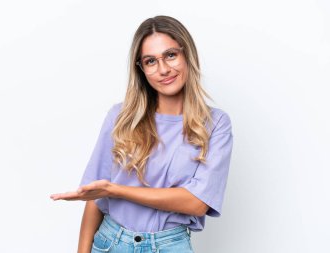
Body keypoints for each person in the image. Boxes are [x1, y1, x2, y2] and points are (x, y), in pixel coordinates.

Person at [50, 15, 233, 253]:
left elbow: (197, 203)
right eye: (150, 61)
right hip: (111, 242)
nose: (164, 69)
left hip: (170, 245)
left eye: (170, 55)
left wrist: (116, 190)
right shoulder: (120, 117)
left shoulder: (215, 124)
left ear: (187, 54)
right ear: (142, 69)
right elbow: (96, 196)